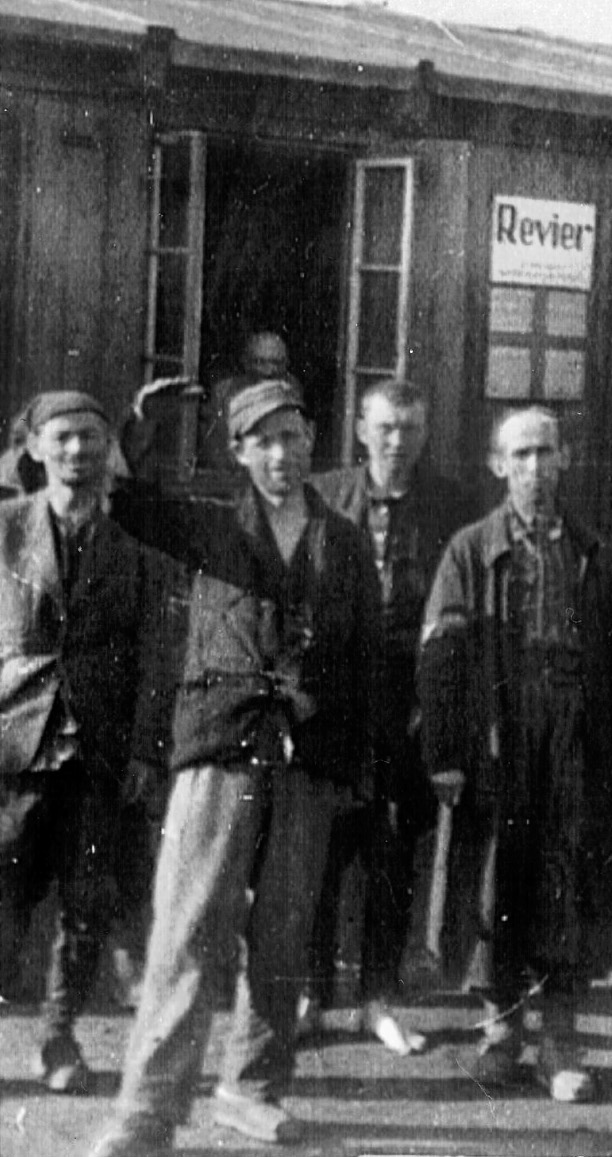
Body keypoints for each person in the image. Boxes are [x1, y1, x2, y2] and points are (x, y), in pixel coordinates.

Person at [88, 379, 382, 1157]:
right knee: (186, 931)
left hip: (307, 761)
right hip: (220, 748)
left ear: (312, 439)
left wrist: (350, 761)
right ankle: (146, 1112)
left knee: (283, 934)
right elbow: (123, 504)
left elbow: (362, 659)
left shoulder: (345, 542)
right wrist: (136, 432)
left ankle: (251, 1088)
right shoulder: (211, 526)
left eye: (293, 436)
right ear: (239, 452)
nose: (282, 455)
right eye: (264, 441)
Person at [417, 406, 612, 1101]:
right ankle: (501, 1031)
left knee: (566, 875)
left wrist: (611, 752)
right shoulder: (471, 549)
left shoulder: (591, 552)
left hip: (571, 731)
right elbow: (441, 656)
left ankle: (559, 1039)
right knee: (496, 879)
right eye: (521, 454)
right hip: (498, 734)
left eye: (546, 452)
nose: (535, 467)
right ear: (498, 464)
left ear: (564, 459)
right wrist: (447, 752)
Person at [302, 379, 479, 1054]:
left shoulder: (452, 504)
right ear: (360, 430)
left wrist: (436, 715)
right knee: (319, 843)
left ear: (424, 434)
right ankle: (312, 990)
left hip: (408, 699)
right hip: (333, 696)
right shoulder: (323, 496)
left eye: (410, 429)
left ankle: (378, 996)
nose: (397, 442)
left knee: (392, 850)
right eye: (385, 428)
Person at [0, 392, 169, 1096]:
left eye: (92, 440)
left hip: (98, 748)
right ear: (35, 447)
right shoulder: (5, 529)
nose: (78, 452)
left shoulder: (129, 547)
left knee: (87, 898)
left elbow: (154, 651)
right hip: (13, 740)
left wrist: (143, 751)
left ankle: (59, 1036)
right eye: (64, 438)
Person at [198, 331, 298, 471]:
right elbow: (214, 446)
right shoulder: (224, 392)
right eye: (259, 362)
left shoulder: (292, 393)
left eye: (276, 363)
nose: (268, 371)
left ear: (286, 365)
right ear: (245, 362)